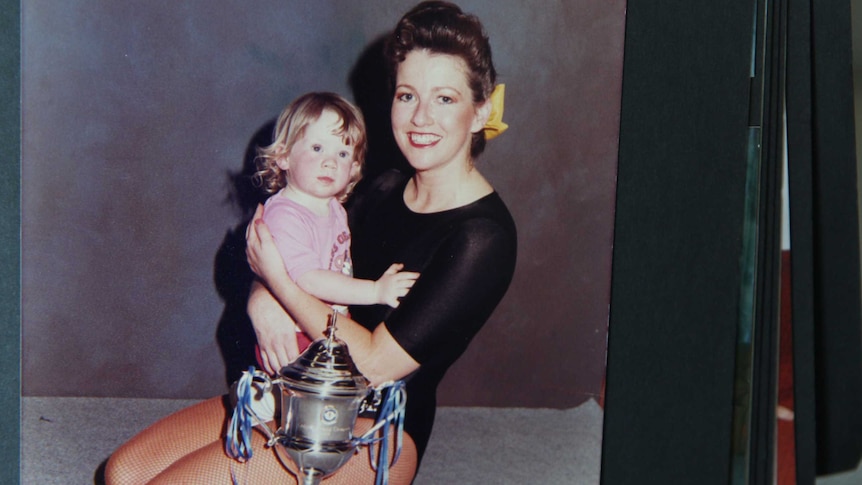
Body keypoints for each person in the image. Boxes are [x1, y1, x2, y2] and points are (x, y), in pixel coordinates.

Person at [104, 2, 515, 483]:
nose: (420, 117)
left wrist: (282, 287)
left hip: (370, 427)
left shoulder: (483, 238)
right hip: (294, 388)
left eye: (445, 98)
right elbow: (280, 247)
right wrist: (264, 301)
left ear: (479, 110)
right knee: (122, 474)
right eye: (407, 95)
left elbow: (377, 363)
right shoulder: (381, 186)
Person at [250, 92, 418, 365]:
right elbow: (310, 280)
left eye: (342, 153)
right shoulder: (285, 214)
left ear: (353, 169)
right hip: (295, 335)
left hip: (327, 320)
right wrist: (375, 291)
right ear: (283, 156)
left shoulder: (332, 207)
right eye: (317, 148)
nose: (330, 162)